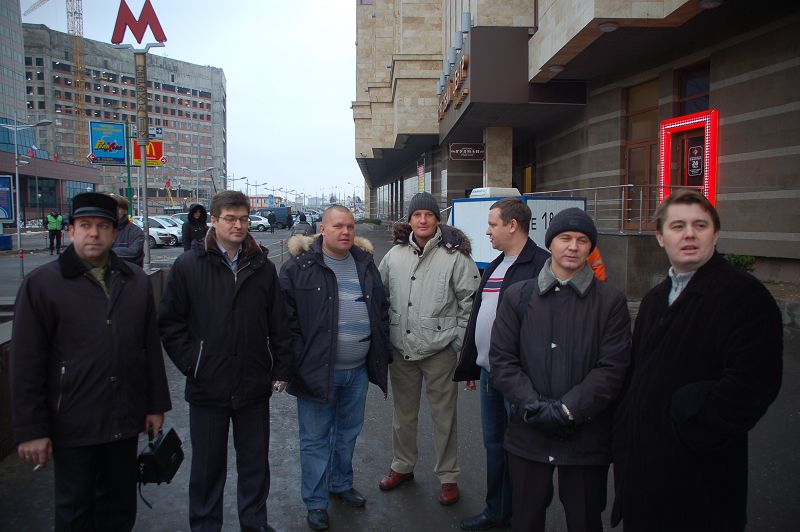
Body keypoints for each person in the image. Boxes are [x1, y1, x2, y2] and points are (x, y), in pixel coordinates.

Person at [611, 189, 783, 532]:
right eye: (677, 226)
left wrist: (690, 431)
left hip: (699, 484)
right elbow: (638, 377)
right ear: (661, 237)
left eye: (700, 225)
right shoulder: (655, 299)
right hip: (642, 482)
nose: (689, 233)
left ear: (715, 235)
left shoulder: (743, 295)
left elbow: (752, 387)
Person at [10, 192, 172, 531]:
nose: (94, 233)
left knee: (120, 509)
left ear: (114, 232)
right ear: (71, 231)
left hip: (124, 418)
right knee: (75, 512)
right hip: (73, 421)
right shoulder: (42, 285)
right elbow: (26, 364)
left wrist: (155, 406)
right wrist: (31, 430)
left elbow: (149, 348)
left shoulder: (135, 281)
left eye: (102, 226)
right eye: (85, 225)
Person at [159, 190, 293, 532]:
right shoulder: (188, 266)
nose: (238, 225)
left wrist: (280, 367)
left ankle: (255, 523)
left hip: (253, 384)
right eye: (230, 219)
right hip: (207, 386)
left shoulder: (262, 267)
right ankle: (205, 525)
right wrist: (194, 363)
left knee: (254, 466)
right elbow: (170, 323)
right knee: (207, 468)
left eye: (243, 219)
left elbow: (279, 322)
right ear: (214, 220)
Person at [489, 207, 631, 532]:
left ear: (590, 247)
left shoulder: (610, 301)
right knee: (525, 519)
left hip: (586, 439)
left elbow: (612, 368)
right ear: (550, 242)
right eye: (565, 238)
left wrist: (568, 410)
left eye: (582, 240)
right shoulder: (518, 296)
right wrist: (532, 404)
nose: (573, 246)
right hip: (528, 433)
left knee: (584, 520)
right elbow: (503, 360)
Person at [280, 205, 390, 531]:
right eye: (338, 226)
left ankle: (340, 483)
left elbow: (381, 308)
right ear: (322, 229)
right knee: (315, 439)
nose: (346, 232)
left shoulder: (364, 264)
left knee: (347, 433)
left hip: (357, 371)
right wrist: (299, 361)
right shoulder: (299, 268)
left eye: (350, 226)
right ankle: (316, 502)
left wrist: (380, 347)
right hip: (316, 372)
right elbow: (284, 322)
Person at [377, 191, 480, 506]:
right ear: (409, 220)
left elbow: (469, 305)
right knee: (403, 416)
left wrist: (460, 349)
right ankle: (402, 466)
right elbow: (380, 298)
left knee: (444, 418)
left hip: (440, 352)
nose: (422, 220)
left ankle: (448, 477)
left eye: (429, 214)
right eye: (417, 215)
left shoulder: (456, 258)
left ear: (438, 219)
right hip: (402, 350)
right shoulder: (393, 256)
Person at [453, 197, 549, 531]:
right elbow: (479, 317)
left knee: (523, 453)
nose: (487, 231)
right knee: (494, 447)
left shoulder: (541, 265)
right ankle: (497, 512)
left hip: (520, 378)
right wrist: (473, 363)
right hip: (488, 373)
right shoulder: (496, 265)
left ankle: (525, 518)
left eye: (492, 224)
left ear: (512, 225)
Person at [110, 195, 144, 267]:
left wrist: (106, 253)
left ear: (125, 210)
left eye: (116, 208)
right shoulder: (103, 229)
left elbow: (134, 253)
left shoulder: (135, 231)